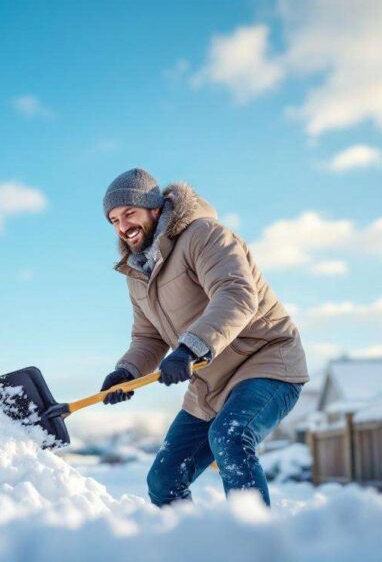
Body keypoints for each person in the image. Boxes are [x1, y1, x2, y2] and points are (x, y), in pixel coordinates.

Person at [100, 167, 308, 507]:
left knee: (231, 437)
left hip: (266, 361)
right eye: (114, 220)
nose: (123, 226)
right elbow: (148, 337)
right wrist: (126, 372)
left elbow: (236, 295)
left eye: (129, 213)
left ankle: (255, 544)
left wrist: (188, 349)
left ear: (154, 209)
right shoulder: (137, 273)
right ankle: (189, 546)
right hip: (209, 384)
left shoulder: (204, 235)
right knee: (164, 479)